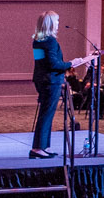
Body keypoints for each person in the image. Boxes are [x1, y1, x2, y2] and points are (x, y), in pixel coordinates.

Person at [28, 11, 93, 158]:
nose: (58, 24)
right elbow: (53, 64)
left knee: (46, 114)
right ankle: (38, 148)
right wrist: (72, 63)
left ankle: (44, 146)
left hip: (41, 79)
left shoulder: (37, 40)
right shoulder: (50, 41)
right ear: (51, 23)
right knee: (46, 114)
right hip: (51, 81)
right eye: (56, 22)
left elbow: (41, 63)